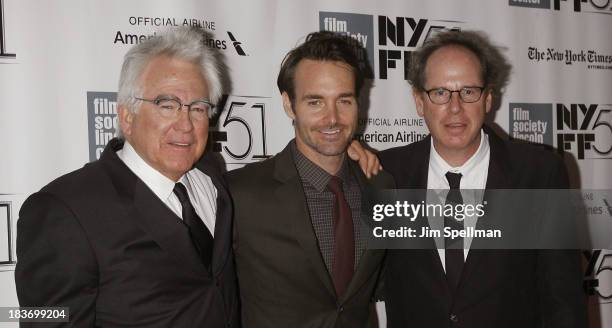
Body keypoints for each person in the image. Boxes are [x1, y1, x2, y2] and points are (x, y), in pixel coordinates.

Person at [15, 27, 239, 327]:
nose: (185, 124)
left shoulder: (212, 177)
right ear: (127, 116)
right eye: (167, 105)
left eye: (198, 108)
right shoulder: (62, 209)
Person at [378, 30, 588, 328]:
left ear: (488, 99)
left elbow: (563, 300)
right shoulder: (385, 174)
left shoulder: (539, 173)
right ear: (419, 102)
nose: (455, 107)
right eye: (440, 93)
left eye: (468, 91)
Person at [227, 31, 394, 327]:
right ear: (290, 105)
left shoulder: (380, 185)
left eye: (344, 101)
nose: (332, 118)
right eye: (315, 102)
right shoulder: (239, 194)